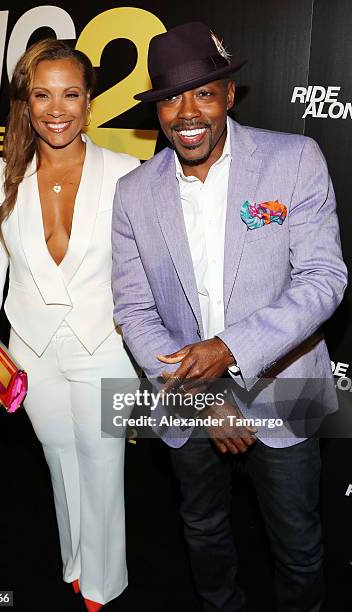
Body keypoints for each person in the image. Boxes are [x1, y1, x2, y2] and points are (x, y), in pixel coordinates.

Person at [111, 21, 348, 612]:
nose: (186, 112)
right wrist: (203, 393)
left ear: (229, 96)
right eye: (169, 98)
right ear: (156, 109)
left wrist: (229, 351)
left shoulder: (293, 160)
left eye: (203, 93)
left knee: (298, 546)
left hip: (285, 390)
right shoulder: (133, 192)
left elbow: (324, 280)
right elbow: (134, 309)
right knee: (204, 530)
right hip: (186, 397)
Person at [0, 38, 140, 611]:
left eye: (70, 94)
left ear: (90, 101)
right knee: (60, 459)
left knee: (104, 463)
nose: (56, 108)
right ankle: (76, 562)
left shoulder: (129, 172)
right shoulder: (0, 176)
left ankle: (103, 584)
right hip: (33, 351)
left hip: (105, 344)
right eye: (42, 94)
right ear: (26, 101)